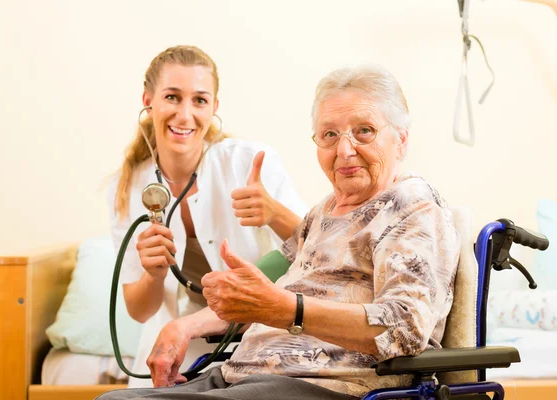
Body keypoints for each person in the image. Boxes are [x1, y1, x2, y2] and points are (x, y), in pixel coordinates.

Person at [100, 63, 460, 399]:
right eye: (329, 135)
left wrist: (289, 309)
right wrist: (185, 327)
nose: (345, 149)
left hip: (323, 384)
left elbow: (404, 328)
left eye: (364, 131)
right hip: (243, 376)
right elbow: (267, 285)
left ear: (401, 139)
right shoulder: (323, 212)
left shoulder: (411, 205)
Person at [107, 45, 309, 388]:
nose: (185, 115)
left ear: (214, 107)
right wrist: (153, 275)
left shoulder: (248, 163)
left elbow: (322, 249)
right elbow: (140, 311)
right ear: (148, 99)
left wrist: (273, 213)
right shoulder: (127, 188)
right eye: (172, 97)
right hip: (181, 339)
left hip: (262, 333)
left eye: (199, 100)